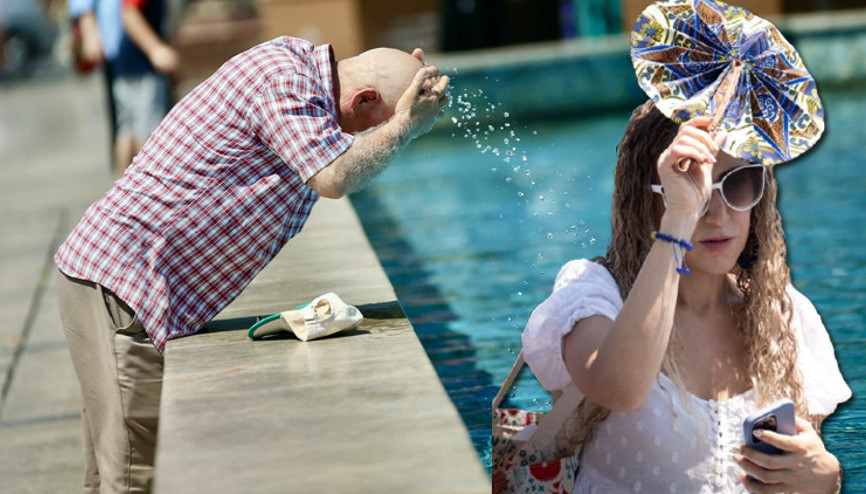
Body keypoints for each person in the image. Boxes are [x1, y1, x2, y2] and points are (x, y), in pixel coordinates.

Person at [54, 36, 449, 492]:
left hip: (118, 282)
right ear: (364, 100)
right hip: (124, 285)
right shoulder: (286, 81)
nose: (370, 139)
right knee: (137, 476)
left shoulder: (301, 80)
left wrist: (402, 101)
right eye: (374, 123)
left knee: (113, 473)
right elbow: (335, 176)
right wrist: (402, 126)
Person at [521, 101, 851, 493]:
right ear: (644, 198)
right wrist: (678, 218)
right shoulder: (595, 294)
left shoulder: (783, 313)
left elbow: (798, 466)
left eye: (739, 182)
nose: (717, 215)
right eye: (693, 185)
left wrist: (826, 477)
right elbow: (619, 388)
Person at [70, 0, 178, 179]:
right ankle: (146, 183)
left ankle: (120, 185)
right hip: (140, 63)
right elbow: (130, 14)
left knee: (126, 128)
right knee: (146, 130)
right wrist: (155, 49)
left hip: (123, 61)